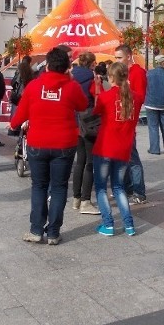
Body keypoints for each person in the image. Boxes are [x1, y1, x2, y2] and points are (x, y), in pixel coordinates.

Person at [10, 48, 88, 246]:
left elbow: (20, 114)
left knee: (39, 186)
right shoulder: (71, 87)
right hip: (64, 144)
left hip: (38, 143)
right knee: (60, 187)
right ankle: (53, 233)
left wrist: (13, 125)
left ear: (47, 65)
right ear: (67, 67)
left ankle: (36, 230)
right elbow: (82, 105)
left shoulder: (35, 86)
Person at [92, 62, 139, 236]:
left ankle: (108, 224)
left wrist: (98, 89)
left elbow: (96, 110)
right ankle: (129, 225)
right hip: (124, 149)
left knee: (102, 187)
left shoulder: (106, 97)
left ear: (110, 78)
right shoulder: (136, 97)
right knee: (119, 187)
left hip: (105, 148)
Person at [114, 44, 148, 205]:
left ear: (128, 56)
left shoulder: (137, 72)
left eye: (119, 57)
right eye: (116, 58)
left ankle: (139, 192)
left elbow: (140, 97)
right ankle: (126, 188)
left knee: (132, 158)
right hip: (119, 120)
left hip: (128, 119)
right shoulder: (121, 72)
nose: (117, 61)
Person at [71, 51, 101, 215]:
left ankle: (76, 198)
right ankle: (85, 201)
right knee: (90, 162)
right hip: (88, 122)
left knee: (80, 160)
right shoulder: (92, 78)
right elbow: (97, 99)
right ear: (92, 63)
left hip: (75, 122)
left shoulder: (71, 75)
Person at [144, 54, 164, 155]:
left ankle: (154, 149)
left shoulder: (148, 74)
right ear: (163, 63)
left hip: (151, 103)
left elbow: (145, 86)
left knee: (153, 126)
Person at [8, 55, 34, 137]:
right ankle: (21, 129)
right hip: (26, 93)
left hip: (18, 94)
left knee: (16, 111)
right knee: (25, 111)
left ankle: (14, 128)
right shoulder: (31, 71)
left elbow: (14, 82)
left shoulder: (19, 69)